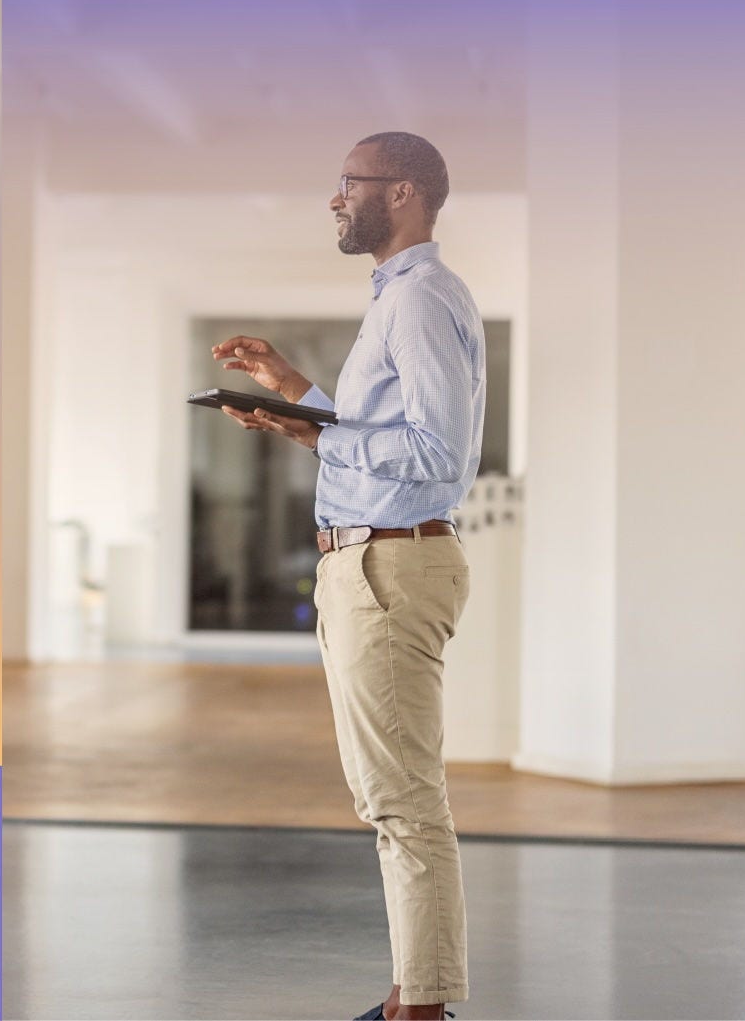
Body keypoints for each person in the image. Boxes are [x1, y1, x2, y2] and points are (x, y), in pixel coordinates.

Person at [210, 132, 484, 1021]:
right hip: (372, 558)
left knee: (403, 800)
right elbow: (386, 432)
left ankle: (422, 1009)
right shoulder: (400, 298)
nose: (334, 200)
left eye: (348, 184)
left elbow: (438, 452)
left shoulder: (418, 298)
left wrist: (320, 435)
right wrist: (295, 391)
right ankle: (412, 994)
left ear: (401, 192)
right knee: (387, 795)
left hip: (388, 561)